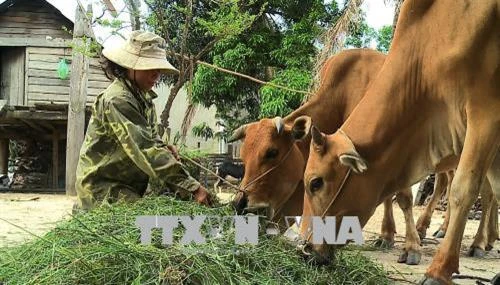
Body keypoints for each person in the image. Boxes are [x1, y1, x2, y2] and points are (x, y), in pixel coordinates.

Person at [75, 30, 212, 210]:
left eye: (158, 69)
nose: (156, 75)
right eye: (150, 68)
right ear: (130, 66)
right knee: (153, 226)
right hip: (102, 188)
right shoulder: (118, 100)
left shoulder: (143, 98)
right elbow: (145, 149)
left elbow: (150, 139)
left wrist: (164, 147)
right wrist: (193, 188)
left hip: (128, 186)